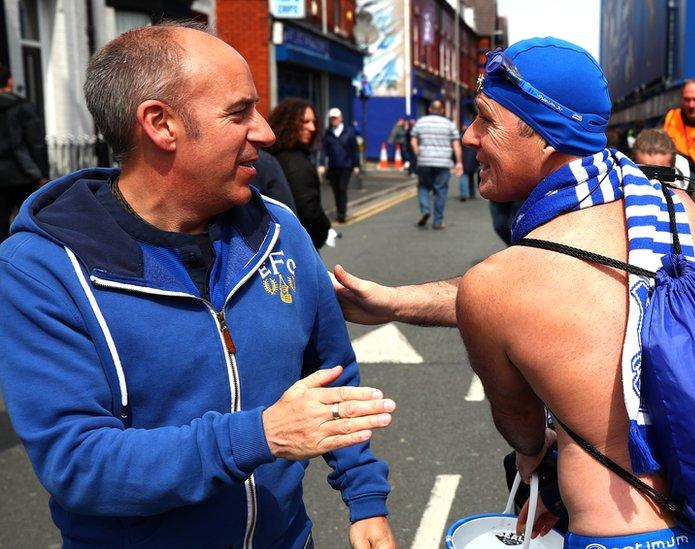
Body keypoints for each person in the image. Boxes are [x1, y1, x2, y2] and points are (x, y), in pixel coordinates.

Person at [335, 38, 695, 548]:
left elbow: (526, 433)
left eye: (484, 120)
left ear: (545, 139)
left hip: (624, 537)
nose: (469, 137)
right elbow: (564, 297)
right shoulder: (676, 209)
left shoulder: (502, 284)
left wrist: (536, 449)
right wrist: (395, 302)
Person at [0, 23, 397, 548]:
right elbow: (78, 465)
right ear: (161, 124)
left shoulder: (280, 228)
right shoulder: (41, 267)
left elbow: (330, 374)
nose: (266, 132)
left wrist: (364, 498)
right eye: (240, 112)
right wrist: (259, 436)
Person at [269, 98, 338, 248]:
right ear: (288, 122)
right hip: (301, 244)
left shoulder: (273, 155)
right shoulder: (297, 162)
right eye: (305, 122)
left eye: (313, 122)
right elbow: (309, 209)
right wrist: (325, 228)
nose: (312, 128)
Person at [0, 63, 49, 241]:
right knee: (29, 222)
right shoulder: (23, 107)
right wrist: (43, 173)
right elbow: (36, 143)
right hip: (24, 173)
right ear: (10, 81)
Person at [631, 128, 695, 217]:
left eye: (659, 174)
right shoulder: (621, 187)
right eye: (645, 172)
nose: (653, 182)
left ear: (673, 168)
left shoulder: (694, 190)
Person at [411, 100, 462, 229]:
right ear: (443, 111)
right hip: (443, 162)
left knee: (423, 187)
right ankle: (438, 221)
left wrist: (418, 153)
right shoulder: (449, 124)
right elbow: (456, 146)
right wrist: (459, 162)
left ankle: (425, 210)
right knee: (441, 191)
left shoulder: (421, 122)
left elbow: (413, 140)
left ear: (429, 109)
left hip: (425, 161)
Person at [322, 107, 361, 223]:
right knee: (336, 191)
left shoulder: (349, 132)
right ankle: (339, 210)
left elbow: (355, 149)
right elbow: (324, 150)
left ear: (341, 118)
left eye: (335, 118)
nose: (333, 120)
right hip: (333, 167)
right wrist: (321, 164)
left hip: (346, 166)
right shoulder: (328, 133)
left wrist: (356, 165)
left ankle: (342, 214)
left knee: (342, 189)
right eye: (332, 118)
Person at [459, 121, 479, 201]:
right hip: (473, 160)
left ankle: (463, 194)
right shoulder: (475, 135)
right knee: (471, 177)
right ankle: (472, 194)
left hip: (463, 159)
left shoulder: (461, 136)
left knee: (464, 176)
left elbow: (457, 148)